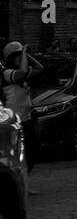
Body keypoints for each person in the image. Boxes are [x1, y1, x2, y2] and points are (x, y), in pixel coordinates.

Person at [1, 42, 43, 177]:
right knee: (17, 152)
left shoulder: (23, 73)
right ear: (11, 59)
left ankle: (24, 180)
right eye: (17, 57)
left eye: (21, 57)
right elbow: (23, 71)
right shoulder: (7, 73)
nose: (21, 59)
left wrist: (27, 55)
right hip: (14, 119)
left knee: (33, 149)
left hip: (26, 117)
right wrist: (23, 52)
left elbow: (40, 68)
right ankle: (18, 181)